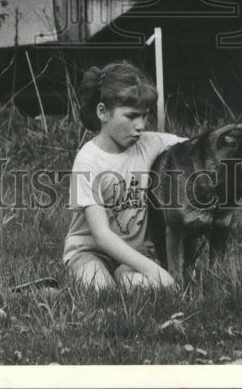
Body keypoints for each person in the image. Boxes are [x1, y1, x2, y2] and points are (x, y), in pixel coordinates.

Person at [63, 61, 185, 291]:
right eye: (131, 116)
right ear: (103, 112)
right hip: (90, 252)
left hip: (134, 255)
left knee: (140, 287)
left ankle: (126, 278)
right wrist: (155, 270)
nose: (140, 125)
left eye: (145, 116)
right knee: (102, 291)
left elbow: (203, 148)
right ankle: (50, 290)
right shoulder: (89, 160)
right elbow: (101, 235)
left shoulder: (151, 143)